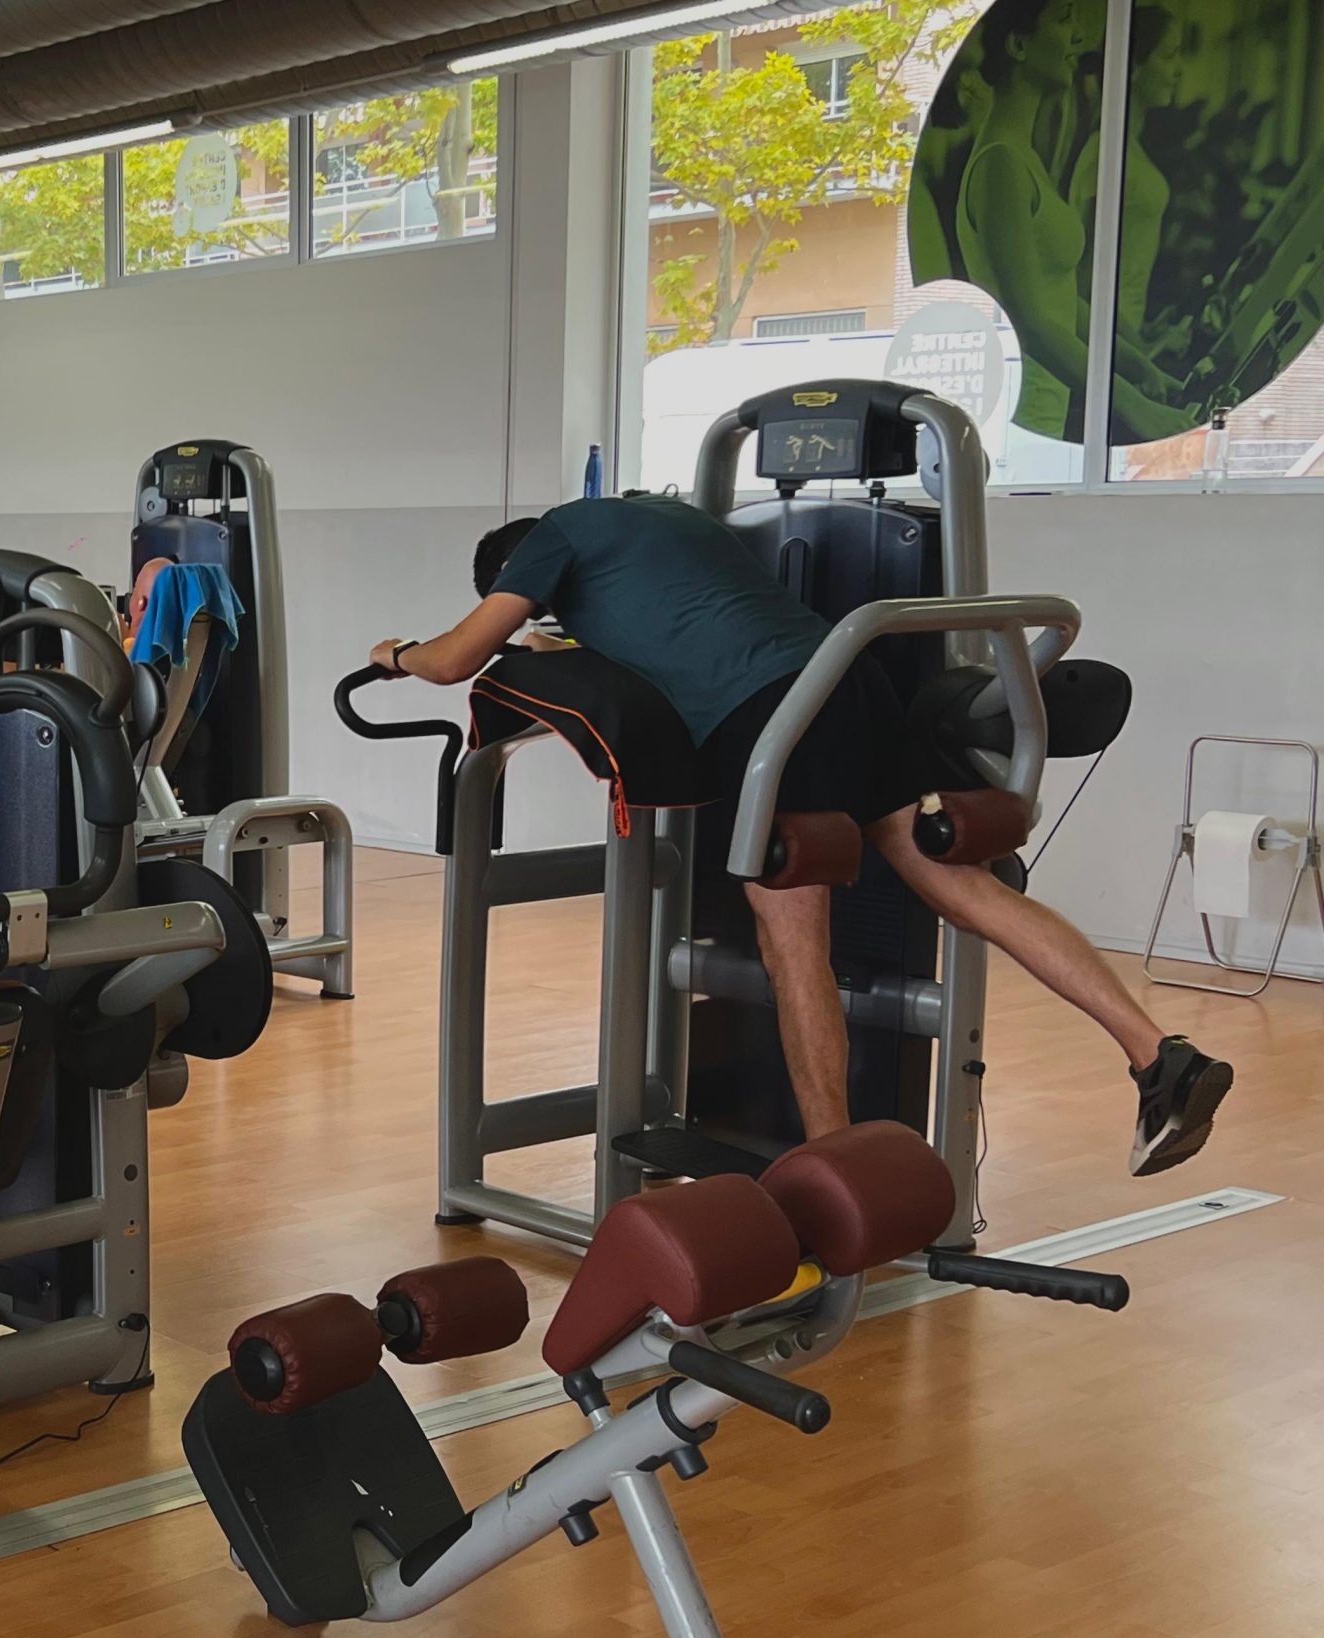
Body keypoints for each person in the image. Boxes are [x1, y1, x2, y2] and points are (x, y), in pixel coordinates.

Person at [373, 494, 1232, 1178]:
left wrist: (398, 653)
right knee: (961, 885)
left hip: (771, 721)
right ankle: (1158, 1055)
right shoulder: (661, 518)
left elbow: (456, 659)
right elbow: (685, 620)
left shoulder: (550, 540)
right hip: (849, 683)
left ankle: (838, 1170)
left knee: (795, 950)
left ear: (518, 572)